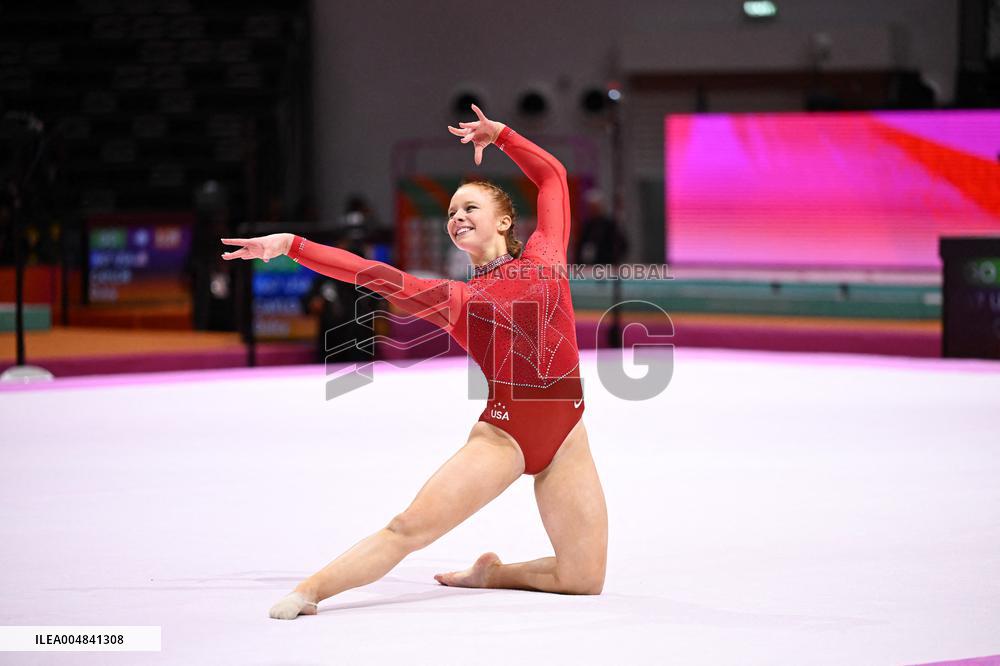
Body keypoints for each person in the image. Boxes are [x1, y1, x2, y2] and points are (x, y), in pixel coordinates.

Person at [221, 104, 608, 620]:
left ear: (504, 219)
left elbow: (552, 176)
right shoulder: (454, 299)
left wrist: (502, 136)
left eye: (468, 206)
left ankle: (492, 574)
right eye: (451, 213)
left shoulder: (546, 254)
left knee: (582, 579)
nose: (457, 217)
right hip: (507, 437)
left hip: (568, 434)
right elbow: (371, 273)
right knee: (410, 528)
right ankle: (311, 590)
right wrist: (292, 244)